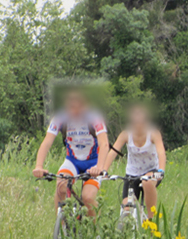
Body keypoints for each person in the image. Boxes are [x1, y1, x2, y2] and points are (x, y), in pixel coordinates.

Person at [32, 89, 108, 217]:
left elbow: (104, 144)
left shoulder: (95, 118)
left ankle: (94, 233)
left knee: (88, 197)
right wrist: (39, 166)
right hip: (72, 161)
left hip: (93, 162)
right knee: (60, 186)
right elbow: (47, 142)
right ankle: (62, 231)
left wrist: (99, 167)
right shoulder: (60, 118)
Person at [102, 103, 166, 219]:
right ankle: (128, 230)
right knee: (126, 205)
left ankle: (151, 221)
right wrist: (104, 170)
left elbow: (161, 152)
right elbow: (113, 152)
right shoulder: (126, 134)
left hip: (151, 170)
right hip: (132, 174)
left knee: (147, 183)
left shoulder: (153, 133)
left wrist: (161, 170)